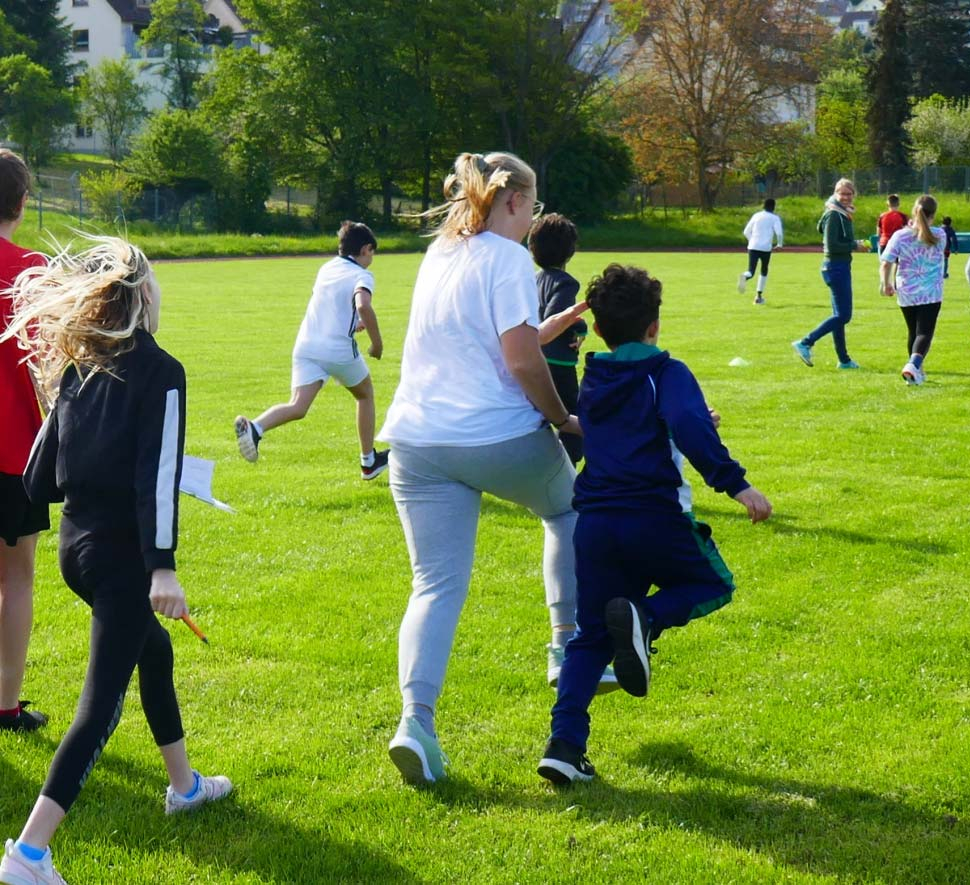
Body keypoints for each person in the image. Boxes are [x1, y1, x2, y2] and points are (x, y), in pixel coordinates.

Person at [379, 151, 616, 786]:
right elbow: (518, 360)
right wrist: (564, 418)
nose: (534, 218)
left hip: (415, 443)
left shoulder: (441, 253)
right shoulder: (510, 258)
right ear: (515, 202)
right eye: (533, 206)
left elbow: (494, 339)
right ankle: (565, 645)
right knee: (569, 510)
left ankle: (415, 723)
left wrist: (555, 325)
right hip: (491, 433)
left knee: (434, 587)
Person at [0, 236, 232, 885]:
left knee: (153, 652)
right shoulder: (162, 371)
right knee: (99, 705)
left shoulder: (78, 367)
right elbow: (156, 480)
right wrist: (162, 567)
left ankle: (184, 787)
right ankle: (28, 853)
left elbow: (37, 477)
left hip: (76, 549)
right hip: (122, 559)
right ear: (146, 295)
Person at [536, 264, 772, 784]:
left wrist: (678, 418)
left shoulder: (595, 375)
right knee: (712, 583)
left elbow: (621, 427)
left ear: (596, 330)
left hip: (594, 522)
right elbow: (686, 425)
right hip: (654, 516)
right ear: (655, 326)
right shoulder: (667, 372)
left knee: (590, 636)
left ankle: (564, 745)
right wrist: (737, 485)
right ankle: (644, 617)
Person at [234, 221, 389, 480]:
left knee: (298, 405)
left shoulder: (327, 267)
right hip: (337, 349)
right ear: (365, 249)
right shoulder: (362, 275)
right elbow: (362, 305)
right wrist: (377, 343)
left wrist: (354, 323)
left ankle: (255, 427)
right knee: (365, 395)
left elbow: (333, 304)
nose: (372, 258)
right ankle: (368, 462)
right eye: (372, 252)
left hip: (306, 345)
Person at [0, 149, 49, 735]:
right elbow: (46, 364)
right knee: (16, 575)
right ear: (21, 202)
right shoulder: (29, 268)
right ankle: (5, 703)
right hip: (14, 449)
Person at [791, 179, 866, 370]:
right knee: (843, 316)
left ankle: (844, 360)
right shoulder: (834, 214)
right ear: (836, 193)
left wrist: (853, 242)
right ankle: (806, 342)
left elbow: (823, 231)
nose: (847, 197)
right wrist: (854, 245)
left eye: (849, 193)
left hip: (838, 266)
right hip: (836, 267)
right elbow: (832, 244)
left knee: (838, 316)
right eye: (843, 193)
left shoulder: (840, 213)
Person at [531, 212, 587, 466]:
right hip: (560, 364)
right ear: (570, 251)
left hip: (533, 360)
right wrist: (582, 327)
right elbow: (558, 317)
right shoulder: (565, 284)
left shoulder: (531, 281)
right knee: (569, 418)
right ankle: (569, 469)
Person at [881, 195, 946, 386]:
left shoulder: (900, 236)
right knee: (924, 332)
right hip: (931, 291)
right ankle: (914, 364)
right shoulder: (940, 235)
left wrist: (886, 284)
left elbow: (886, 263)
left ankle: (915, 374)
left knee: (913, 332)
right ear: (933, 213)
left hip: (907, 290)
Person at [737, 198, 783, 305]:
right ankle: (758, 297)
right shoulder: (774, 218)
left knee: (751, 271)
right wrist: (779, 244)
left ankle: (744, 276)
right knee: (764, 270)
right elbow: (779, 233)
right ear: (773, 207)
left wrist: (751, 240)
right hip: (766, 248)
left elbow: (746, 231)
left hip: (753, 246)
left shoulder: (756, 215)